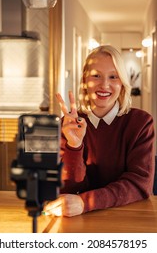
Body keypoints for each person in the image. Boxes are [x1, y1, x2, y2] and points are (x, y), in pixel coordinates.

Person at [44, 45, 155, 217]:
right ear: (85, 81)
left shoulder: (141, 122)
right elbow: (67, 189)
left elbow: (140, 184)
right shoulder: (70, 124)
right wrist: (74, 146)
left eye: (113, 77)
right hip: (80, 219)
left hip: (127, 217)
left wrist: (85, 202)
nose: (104, 85)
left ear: (122, 84)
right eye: (96, 76)